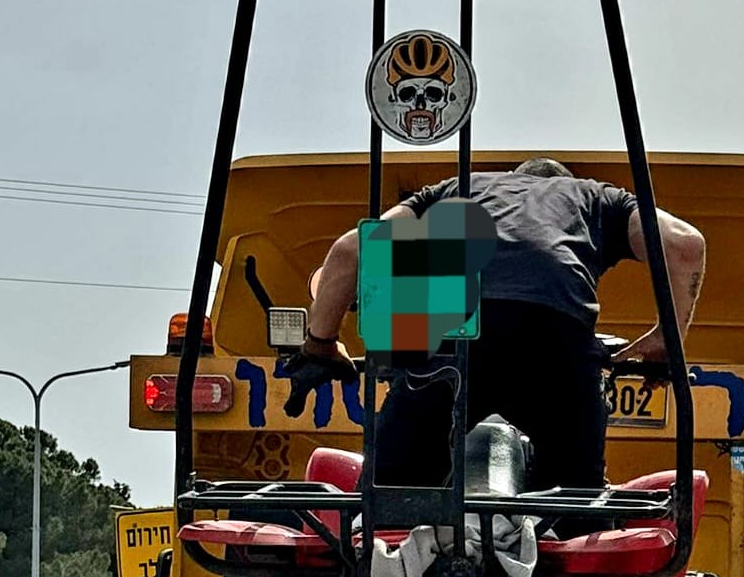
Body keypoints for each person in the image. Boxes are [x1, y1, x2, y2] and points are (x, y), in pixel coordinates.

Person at [289, 158, 706, 490]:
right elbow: (685, 245)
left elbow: (348, 250)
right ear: (562, 185)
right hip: (554, 339)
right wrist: (668, 340)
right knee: (575, 505)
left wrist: (320, 345)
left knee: (389, 496)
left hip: (451, 333)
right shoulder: (596, 198)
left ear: (511, 180)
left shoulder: (457, 190)